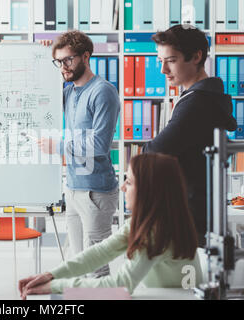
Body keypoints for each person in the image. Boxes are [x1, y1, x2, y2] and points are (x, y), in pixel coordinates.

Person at [19, 153, 202, 299]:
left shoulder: (154, 231)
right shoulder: (149, 222)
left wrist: (55, 286)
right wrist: (52, 275)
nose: (122, 187)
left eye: (129, 182)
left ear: (148, 191)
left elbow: (121, 286)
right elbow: (101, 251)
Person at [143, 25, 237, 246]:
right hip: (199, 209)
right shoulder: (204, 97)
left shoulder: (197, 102)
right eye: (160, 61)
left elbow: (154, 151)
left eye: (171, 60)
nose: (163, 70)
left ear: (196, 57)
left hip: (191, 216)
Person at [39, 30, 120, 277]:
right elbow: (43, 98)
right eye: (58, 61)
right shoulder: (69, 91)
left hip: (95, 192)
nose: (63, 67)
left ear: (86, 56)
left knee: (96, 268)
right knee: (78, 266)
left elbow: (100, 144)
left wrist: (58, 146)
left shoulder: (103, 91)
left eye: (68, 60)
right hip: (73, 188)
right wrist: (43, 58)